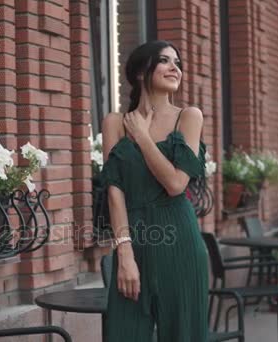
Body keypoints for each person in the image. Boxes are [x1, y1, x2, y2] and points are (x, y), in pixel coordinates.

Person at [101, 40, 209, 341]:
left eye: (178, 62)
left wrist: (144, 138)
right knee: (123, 334)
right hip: (133, 239)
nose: (175, 68)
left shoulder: (188, 117)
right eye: (164, 60)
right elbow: (114, 192)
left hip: (181, 241)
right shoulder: (114, 123)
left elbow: (176, 184)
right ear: (140, 73)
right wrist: (125, 254)